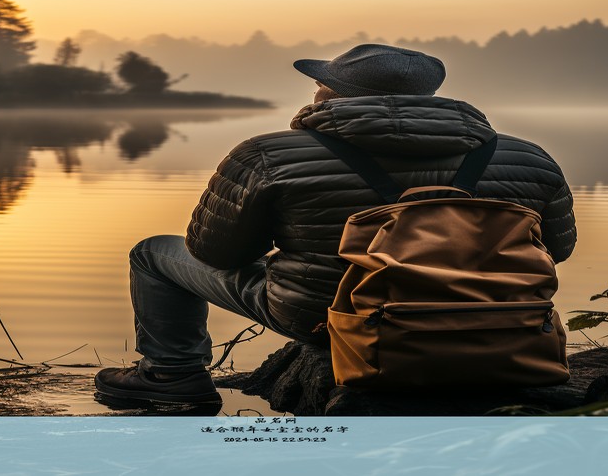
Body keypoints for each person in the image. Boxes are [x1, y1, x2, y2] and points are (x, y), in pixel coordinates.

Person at [94, 44, 577, 404]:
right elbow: (555, 250)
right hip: (491, 317)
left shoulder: (268, 154)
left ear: (332, 93)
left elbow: (217, 256)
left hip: (331, 318)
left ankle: (173, 376)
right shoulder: (527, 156)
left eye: (320, 83)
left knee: (154, 252)